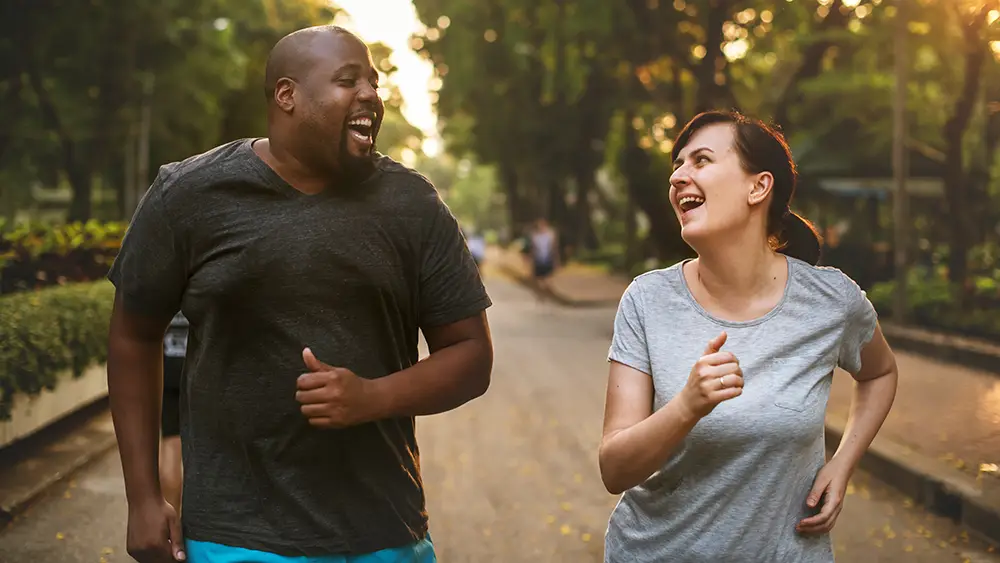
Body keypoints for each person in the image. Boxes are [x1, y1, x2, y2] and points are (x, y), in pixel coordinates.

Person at [106, 25, 493, 563]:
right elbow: (132, 335)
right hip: (232, 538)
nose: (370, 96)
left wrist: (372, 397)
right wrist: (143, 497)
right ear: (287, 95)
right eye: (347, 80)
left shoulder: (413, 205)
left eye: (373, 83)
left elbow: (472, 356)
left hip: (382, 536)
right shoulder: (188, 195)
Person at [598, 111, 898, 562]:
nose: (679, 177)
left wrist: (842, 463)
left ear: (758, 187)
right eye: (677, 166)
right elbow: (614, 469)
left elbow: (881, 373)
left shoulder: (830, 300)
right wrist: (687, 406)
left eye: (700, 161)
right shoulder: (647, 300)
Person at [159, 311, 188, 514]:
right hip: (200, 370)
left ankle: (172, 520)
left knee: (171, 442)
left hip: (167, 369)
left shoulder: (166, 279)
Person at [525, 218, 558, 300]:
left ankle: (546, 294)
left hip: (548, 259)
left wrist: (556, 260)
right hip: (538, 260)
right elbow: (532, 249)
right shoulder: (535, 236)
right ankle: (542, 295)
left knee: (548, 279)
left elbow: (554, 248)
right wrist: (530, 258)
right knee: (538, 280)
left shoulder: (550, 235)